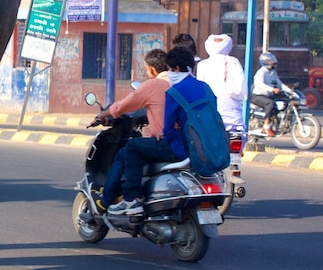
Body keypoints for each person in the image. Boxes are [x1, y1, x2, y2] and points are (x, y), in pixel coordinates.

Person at [108, 46, 217, 215]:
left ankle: (131, 199)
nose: (170, 72)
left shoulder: (175, 91)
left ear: (177, 68)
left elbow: (168, 127)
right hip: (203, 147)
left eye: (171, 69)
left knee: (131, 148)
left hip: (178, 147)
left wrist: (163, 136)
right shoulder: (205, 88)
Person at [93, 48, 171, 212]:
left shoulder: (153, 85)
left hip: (167, 143)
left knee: (128, 150)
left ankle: (118, 199)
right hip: (187, 143)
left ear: (151, 68)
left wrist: (101, 115)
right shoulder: (180, 83)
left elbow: (123, 106)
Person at [196, 34, 247, 133]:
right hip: (234, 118)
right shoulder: (234, 62)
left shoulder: (203, 65)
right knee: (236, 144)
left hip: (211, 116)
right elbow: (240, 89)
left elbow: (201, 91)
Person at [250, 52, 292, 137]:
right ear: (265, 61)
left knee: (283, 100)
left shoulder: (273, 72)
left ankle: (276, 121)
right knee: (270, 103)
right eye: (270, 61)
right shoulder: (261, 72)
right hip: (257, 96)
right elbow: (260, 85)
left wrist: (289, 91)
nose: (273, 62)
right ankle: (266, 126)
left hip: (268, 95)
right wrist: (272, 89)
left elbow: (280, 84)